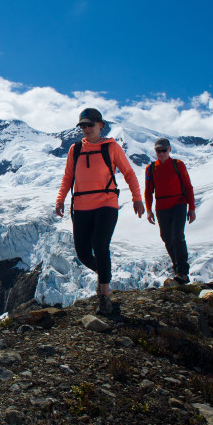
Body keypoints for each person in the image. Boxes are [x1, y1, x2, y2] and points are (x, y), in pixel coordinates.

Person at [55, 108, 145, 315]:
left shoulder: (111, 147)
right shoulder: (75, 150)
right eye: (83, 126)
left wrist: (137, 197)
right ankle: (104, 274)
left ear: (100, 125)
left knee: (100, 246)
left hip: (106, 203)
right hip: (81, 206)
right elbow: (68, 177)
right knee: (83, 253)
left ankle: (104, 296)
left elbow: (129, 173)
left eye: (90, 125)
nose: (86, 129)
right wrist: (60, 199)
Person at [145, 137, 196, 284]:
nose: (161, 153)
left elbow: (188, 187)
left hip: (179, 204)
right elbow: (148, 191)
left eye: (163, 150)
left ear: (169, 150)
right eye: (158, 151)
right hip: (161, 207)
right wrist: (149, 210)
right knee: (166, 237)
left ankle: (183, 272)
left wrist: (191, 208)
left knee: (177, 235)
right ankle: (177, 269)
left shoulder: (178, 165)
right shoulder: (151, 168)